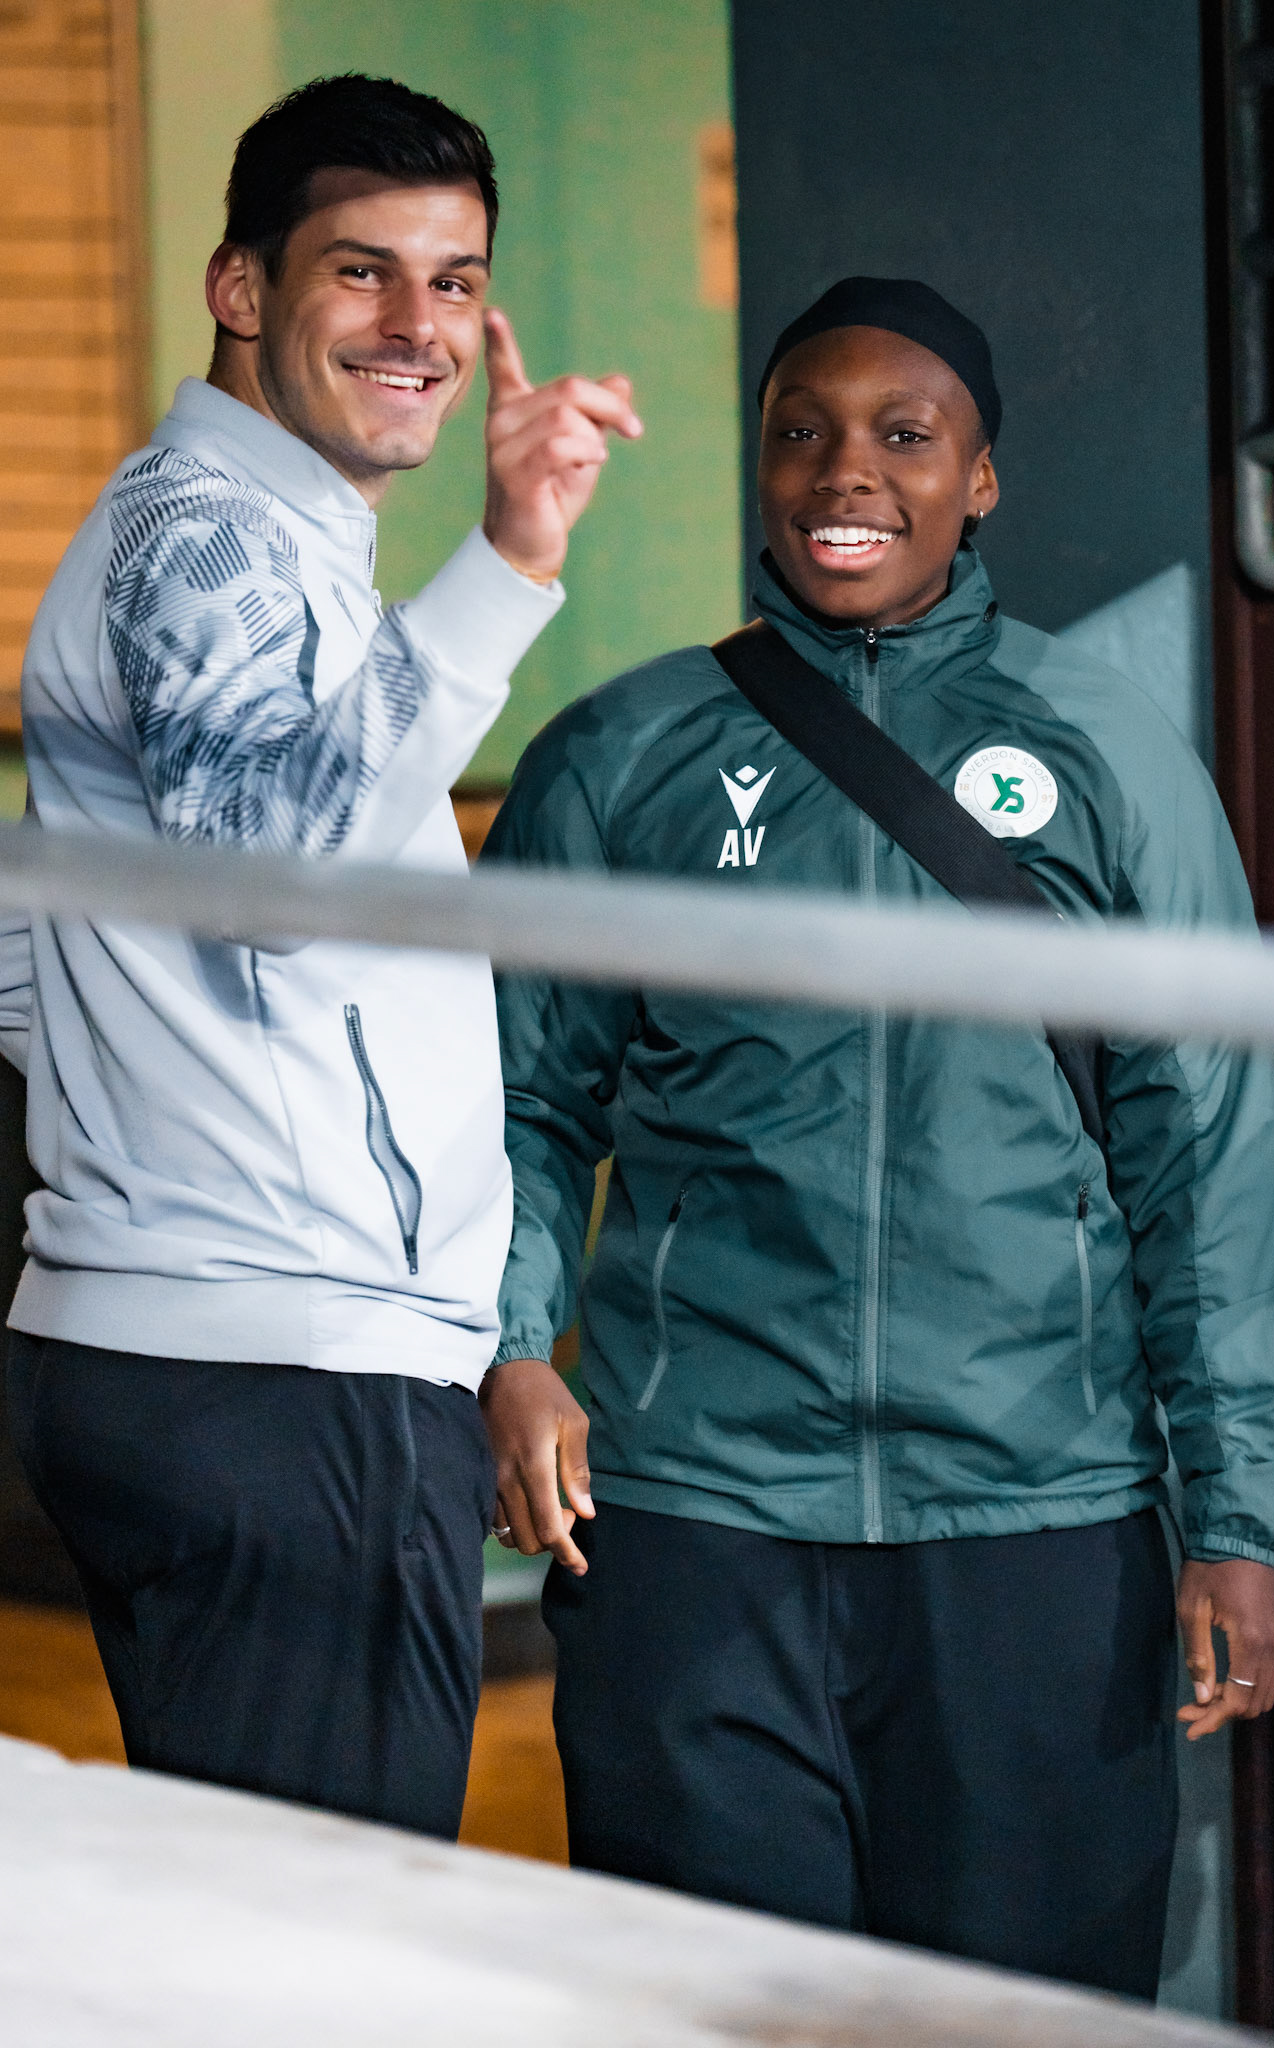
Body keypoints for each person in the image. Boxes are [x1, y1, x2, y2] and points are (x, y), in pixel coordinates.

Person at [480, 277, 1274, 1994]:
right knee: (711, 2013)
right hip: (699, 1521)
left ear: (980, 479)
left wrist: (1241, 1519)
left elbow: (1206, 1154)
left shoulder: (1102, 754)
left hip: (1031, 1527)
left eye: (900, 434)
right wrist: (509, 1349)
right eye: (798, 432)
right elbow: (508, 1095)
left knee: (1022, 2021)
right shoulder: (625, 757)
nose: (839, 473)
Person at [0, 73, 639, 1838]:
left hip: (218, 1351)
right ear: (239, 288)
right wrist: (512, 560)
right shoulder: (205, 533)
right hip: (278, 1368)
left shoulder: (239, 539)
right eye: (360, 273)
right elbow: (271, 872)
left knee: (267, 1933)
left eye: (453, 280)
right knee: (326, 1964)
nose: (416, 326)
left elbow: (32, 947)